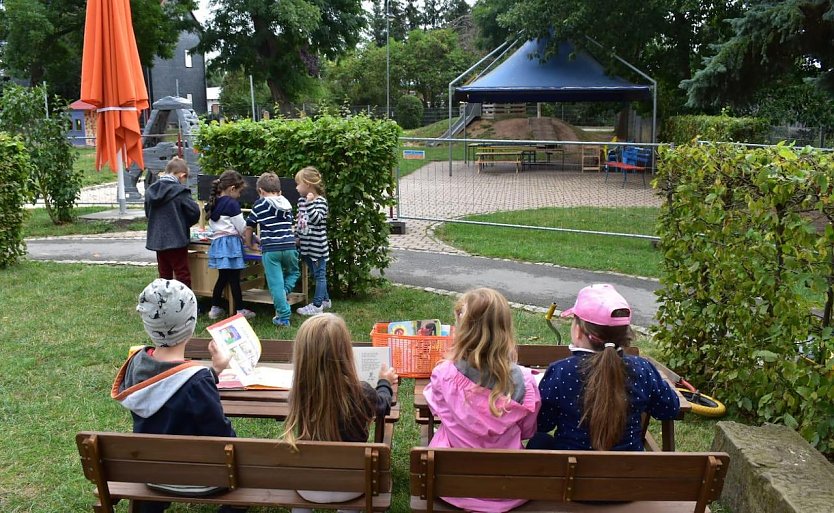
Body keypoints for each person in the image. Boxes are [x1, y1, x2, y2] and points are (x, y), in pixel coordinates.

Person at [111, 279, 245, 513]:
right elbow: (223, 436)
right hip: (201, 480)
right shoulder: (197, 381)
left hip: (151, 474)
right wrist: (210, 375)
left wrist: (213, 372)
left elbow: (171, 384)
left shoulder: (136, 364)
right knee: (241, 472)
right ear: (190, 324)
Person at [423, 288, 541, 513]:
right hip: (509, 487)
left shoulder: (444, 374)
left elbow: (436, 409)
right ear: (505, 329)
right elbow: (528, 431)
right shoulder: (525, 382)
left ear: (463, 330)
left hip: (453, 483)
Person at [530, 284, 680, 452]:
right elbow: (670, 409)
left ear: (578, 331)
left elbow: (542, 423)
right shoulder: (643, 370)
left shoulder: (561, 372)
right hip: (628, 473)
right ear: (625, 334)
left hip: (571, 473)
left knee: (539, 440)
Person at [282, 313, 397, 513]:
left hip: (306, 487)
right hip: (352, 486)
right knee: (352, 476)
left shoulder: (298, 394)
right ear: (345, 351)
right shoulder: (361, 392)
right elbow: (383, 405)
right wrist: (384, 382)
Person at [243, 172, 299, 327]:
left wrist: (250, 244)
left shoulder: (260, 205)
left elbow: (249, 227)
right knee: (294, 272)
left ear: (261, 191)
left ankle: (283, 317)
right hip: (289, 246)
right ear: (279, 191)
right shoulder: (287, 204)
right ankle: (284, 292)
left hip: (271, 250)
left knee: (275, 284)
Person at [205, 170, 256, 320]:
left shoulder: (212, 204)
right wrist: (252, 237)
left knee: (222, 277)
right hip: (231, 244)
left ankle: (215, 307)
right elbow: (242, 227)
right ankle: (240, 309)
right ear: (232, 188)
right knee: (234, 278)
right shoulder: (232, 204)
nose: (239, 195)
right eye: (239, 192)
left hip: (218, 244)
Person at [144, 157, 200, 288]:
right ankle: (185, 306)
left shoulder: (151, 191)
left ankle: (166, 305)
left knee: (164, 275)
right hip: (177, 239)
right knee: (182, 275)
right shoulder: (180, 192)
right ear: (182, 175)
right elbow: (194, 212)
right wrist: (184, 223)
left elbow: (148, 214)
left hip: (157, 239)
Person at [294, 166, 332, 316]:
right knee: (316, 274)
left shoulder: (320, 202)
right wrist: (297, 236)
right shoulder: (301, 201)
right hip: (306, 246)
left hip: (317, 248)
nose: (296, 188)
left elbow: (316, 220)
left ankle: (317, 306)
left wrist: (310, 204)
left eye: (298, 184)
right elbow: (300, 221)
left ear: (308, 184)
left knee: (320, 275)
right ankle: (326, 300)